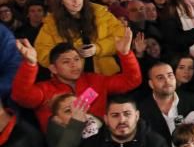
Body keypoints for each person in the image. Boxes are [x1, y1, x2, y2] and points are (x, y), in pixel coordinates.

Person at [13, 30, 142, 128]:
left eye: (76, 59)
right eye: (66, 62)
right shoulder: (44, 89)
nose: (74, 64)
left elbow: (132, 80)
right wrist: (30, 64)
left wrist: (125, 54)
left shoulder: (95, 80)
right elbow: (21, 96)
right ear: (53, 68)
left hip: (100, 143)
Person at [34, 0, 125, 75]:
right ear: (60, 0)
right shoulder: (51, 23)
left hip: (105, 75)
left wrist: (98, 48)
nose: (76, 0)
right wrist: (71, 55)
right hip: (70, 79)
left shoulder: (101, 14)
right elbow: (42, 53)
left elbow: (120, 37)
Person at [136, 61, 194, 147]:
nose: (167, 81)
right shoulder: (142, 110)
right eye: (160, 78)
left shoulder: (192, 101)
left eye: (170, 75)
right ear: (151, 84)